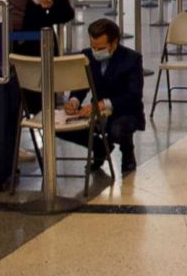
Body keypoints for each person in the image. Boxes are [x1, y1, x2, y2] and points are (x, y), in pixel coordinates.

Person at [59, 18, 145, 175]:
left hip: (124, 110)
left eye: (101, 48)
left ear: (114, 43)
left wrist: (104, 104)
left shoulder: (131, 59)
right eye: (93, 47)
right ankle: (99, 148)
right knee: (60, 128)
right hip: (96, 111)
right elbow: (81, 84)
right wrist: (74, 100)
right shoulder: (86, 56)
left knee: (117, 129)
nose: (96, 51)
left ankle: (128, 153)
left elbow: (134, 95)